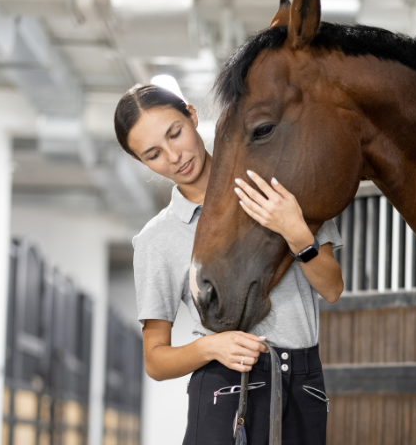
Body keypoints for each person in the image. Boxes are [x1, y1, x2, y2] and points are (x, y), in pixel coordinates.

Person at [114, 84, 344, 444]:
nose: (174, 156)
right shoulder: (157, 240)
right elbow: (155, 360)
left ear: (192, 115)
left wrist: (294, 230)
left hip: (304, 385)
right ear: (140, 162)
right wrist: (212, 347)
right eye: (153, 154)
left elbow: (332, 288)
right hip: (225, 388)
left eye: (175, 133)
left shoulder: (278, 187)